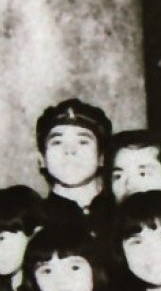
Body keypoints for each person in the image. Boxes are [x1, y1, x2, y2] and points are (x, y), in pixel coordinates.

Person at [36, 98, 114, 239]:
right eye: (57, 142)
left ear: (102, 157)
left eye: (83, 142)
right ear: (41, 159)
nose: (70, 151)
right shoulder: (32, 222)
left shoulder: (122, 215)